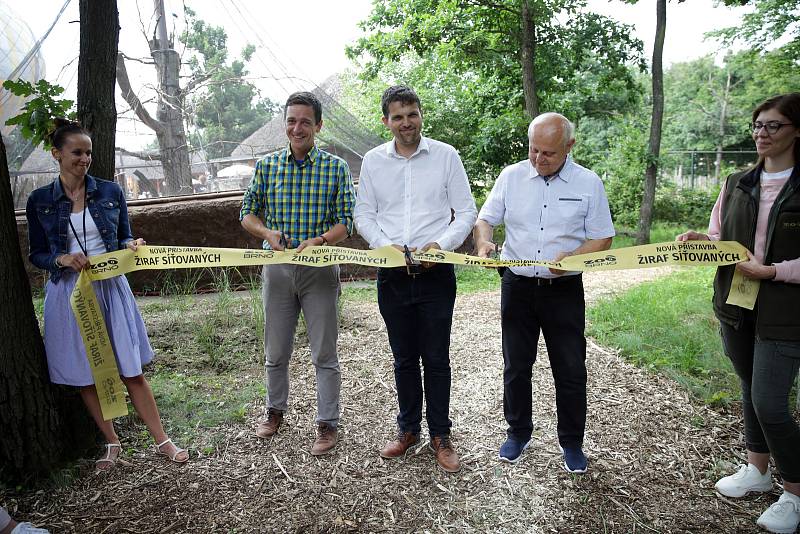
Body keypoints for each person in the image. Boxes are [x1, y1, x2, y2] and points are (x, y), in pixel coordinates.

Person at [25, 119, 188, 469]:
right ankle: (112, 443)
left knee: (131, 370)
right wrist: (62, 259)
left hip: (111, 287)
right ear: (57, 154)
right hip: (70, 294)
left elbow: (124, 236)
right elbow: (36, 253)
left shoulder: (110, 192)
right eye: (76, 152)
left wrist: (131, 244)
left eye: (88, 153)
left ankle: (163, 441)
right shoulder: (39, 200)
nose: (84, 159)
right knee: (86, 373)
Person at [676, 93, 800, 534]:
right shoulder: (737, 182)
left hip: (786, 311)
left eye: (774, 126)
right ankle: (757, 469)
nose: (762, 134)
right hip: (736, 304)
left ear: (796, 131)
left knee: (770, 402)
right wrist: (701, 241)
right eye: (758, 125)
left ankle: (795, 492)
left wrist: (772, 271)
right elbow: (720, 237)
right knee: (749, 389)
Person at [473, 112, 614, 473]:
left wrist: (574, 257)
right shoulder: (511, 176)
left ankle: (571, 442)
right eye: (534, 150)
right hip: (517, 287)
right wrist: (484, 243)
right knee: (516, 366)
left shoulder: (588, 183)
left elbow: (602, 237)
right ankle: (518, 432)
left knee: (570, 369)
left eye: (548, 153)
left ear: (569, 146)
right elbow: (485, 219)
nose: (538, 159)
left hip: (563, 291)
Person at [354, 85, 477, 473]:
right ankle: (408, 431)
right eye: (398, 116)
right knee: (404, 359)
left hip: (436, 275)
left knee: (437, 358)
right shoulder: (373, 162)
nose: (406, 123)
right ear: (386, 121)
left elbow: (467, 211)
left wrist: (442, 245)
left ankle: (441, 434)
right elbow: (364, 215)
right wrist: (384, 245)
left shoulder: (446, 156)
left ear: (421, 114)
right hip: (392, 275)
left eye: (412, 114)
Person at [240, 91, 355, 455]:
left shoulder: (335, 168)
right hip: (277, 269)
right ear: (284, 125)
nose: (297, 127)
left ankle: (327, 423)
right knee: (276, 350)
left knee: (324, 352)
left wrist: (321, 240)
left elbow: (347, 221)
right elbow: (248, 213)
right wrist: (266, 234)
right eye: (291, 120)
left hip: (319, 271)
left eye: (305, 121)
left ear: (318, 125)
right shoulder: (267, 166)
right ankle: (274, 411)